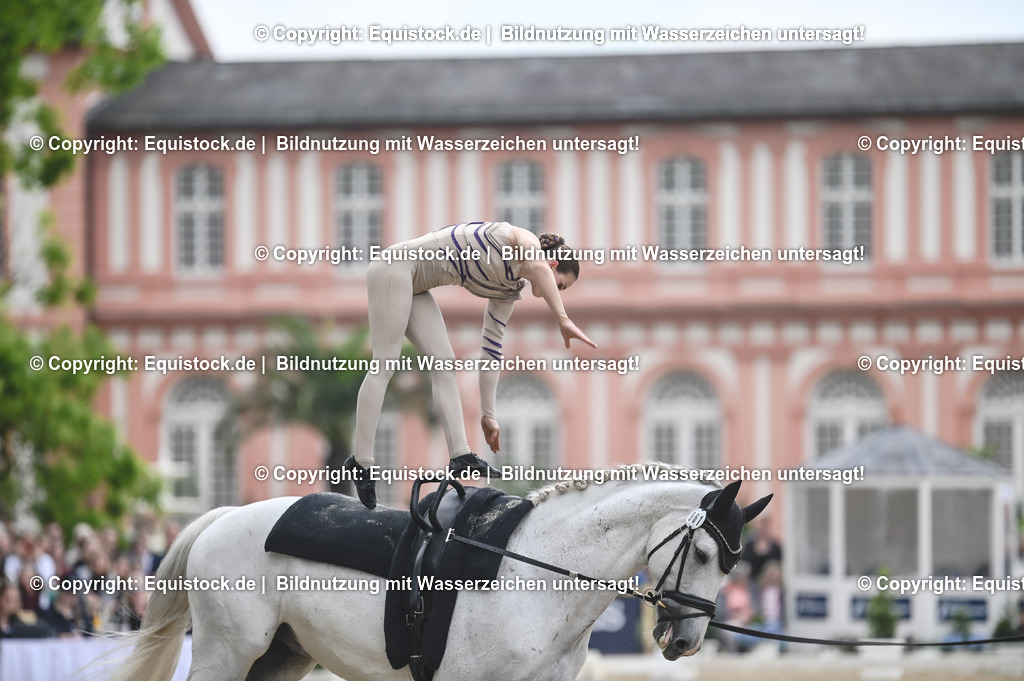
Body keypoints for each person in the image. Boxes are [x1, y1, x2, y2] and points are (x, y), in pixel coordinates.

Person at [347, 222, 596, 508]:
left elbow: (491, 350)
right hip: (394, 268)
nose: (557, 292)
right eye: (560, 285)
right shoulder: (520, 239)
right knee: (385, 363)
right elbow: (537, 266)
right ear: (552, 264)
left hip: (416, 287)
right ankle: (361, 461)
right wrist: (563, 319)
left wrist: (488, 414)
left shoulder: (508, 292)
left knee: (445, 364)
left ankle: (460, 454)